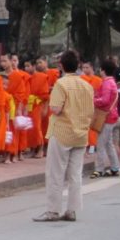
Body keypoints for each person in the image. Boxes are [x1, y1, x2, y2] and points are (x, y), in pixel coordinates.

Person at [33, 49, 94, 222]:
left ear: (61, 66)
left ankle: (53, 211)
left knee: (55, 172)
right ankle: (72, 210)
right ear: (79, 65)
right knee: (75, 174)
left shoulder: (61, 84)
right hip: (81, 133)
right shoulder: (87, 85)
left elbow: (56, 109)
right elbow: (91, 110)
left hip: (62, 132)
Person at [92, 58, 120, 178]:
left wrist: (92, 100)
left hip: (106, 116)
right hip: (111, 116)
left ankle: (99, 168)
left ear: (102, 70)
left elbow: (104, 100)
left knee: (101, 143)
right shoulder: (112, 82)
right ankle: (114, 167)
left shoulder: (106, 83)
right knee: (108, 143)